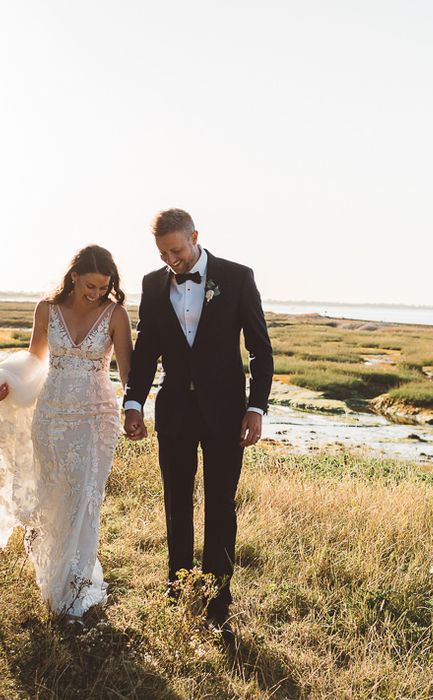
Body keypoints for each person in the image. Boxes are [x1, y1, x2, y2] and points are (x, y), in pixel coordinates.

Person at [123, 208, 273, 640]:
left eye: (177, 250)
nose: (172, 259)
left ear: (195, 237)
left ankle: (217, 601)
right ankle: (177, 590)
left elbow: (260, 350)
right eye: (163, 253)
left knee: (221, 506)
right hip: (173, 412)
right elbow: (147, 347)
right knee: (176, 504)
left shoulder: (238, 277)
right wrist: (133, 401)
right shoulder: (153, 285)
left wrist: (256, 408)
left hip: (227, 412)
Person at [0, 245, 132, 629]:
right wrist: (9, 384)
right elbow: (35, 360)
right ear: (74, 276)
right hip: (51, 415)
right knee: (53, 497)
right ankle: (52, 576)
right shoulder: (46, 310)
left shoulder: (116, 314)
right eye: (90, 285)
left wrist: (136, 409)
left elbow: (127, 371)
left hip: (96, 418)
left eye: (104, 287)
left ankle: (72, 596)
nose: (96, 294)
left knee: (84, 500)